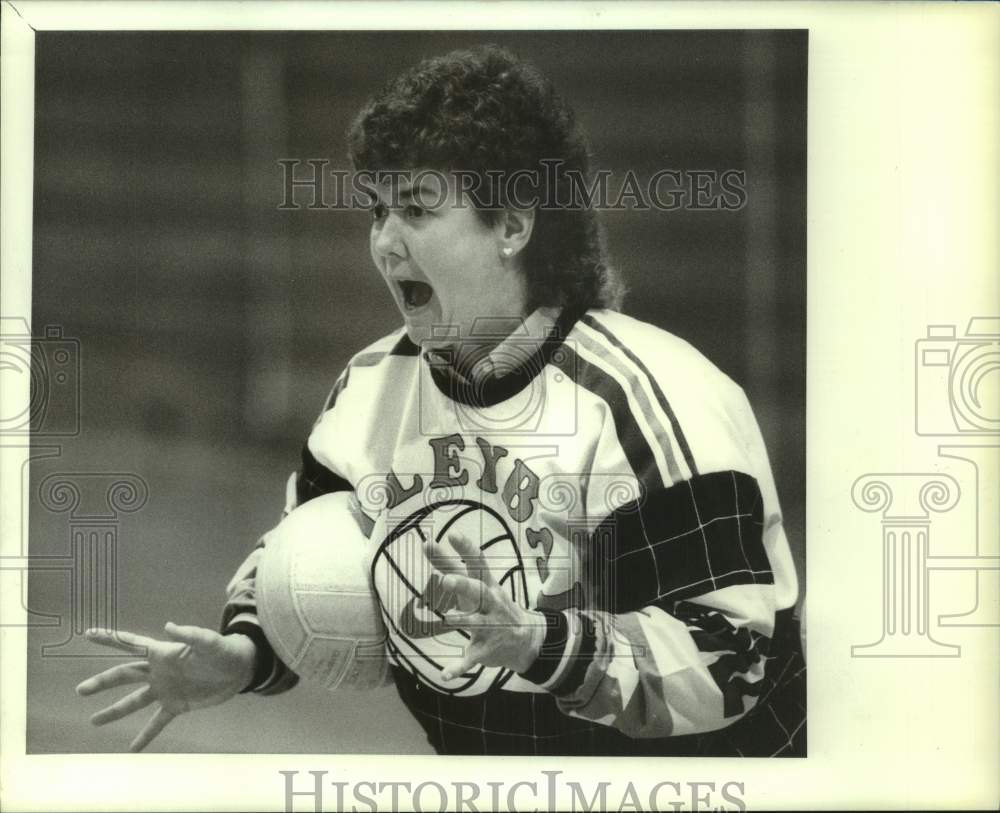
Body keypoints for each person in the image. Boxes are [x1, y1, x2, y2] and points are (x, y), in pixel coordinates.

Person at [77, 44, 805, 756]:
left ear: (513, 225)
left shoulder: (649, 402)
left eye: (418, 209)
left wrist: (536, 643)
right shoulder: (369, 391)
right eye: (377, 211)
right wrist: (247, 651)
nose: (385, 243)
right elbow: (309, 546)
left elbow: (732, 656)